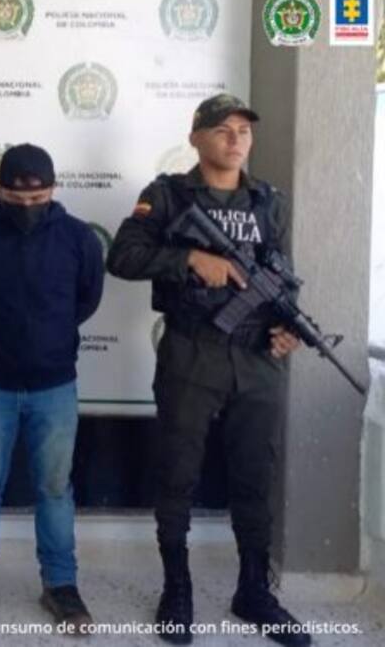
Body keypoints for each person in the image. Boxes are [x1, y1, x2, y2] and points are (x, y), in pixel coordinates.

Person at [107, 93, 309, 647]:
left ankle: (254, 591)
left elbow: (280, 275)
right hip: (192, 351)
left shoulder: (269, 202)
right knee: (177, 472)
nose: (236, 138)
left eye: (244, 129)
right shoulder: (167, 196)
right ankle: (177, 588)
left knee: (255, 475)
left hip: (258, 359)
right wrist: (190, 259)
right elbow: (122, 257)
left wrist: (286, 326)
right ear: (196, 137)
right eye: (223, 129)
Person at [0, 143, 104, 633]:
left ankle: (61, 585)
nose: (28, 207)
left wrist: (46, 340)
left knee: (54, 487)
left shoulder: (78, 239)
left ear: (53, 189)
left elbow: (87, 299)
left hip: (54, 383)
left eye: (38, 198)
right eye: (17, 198)